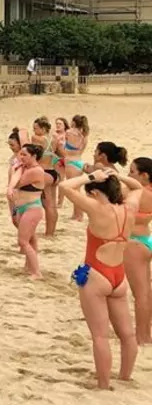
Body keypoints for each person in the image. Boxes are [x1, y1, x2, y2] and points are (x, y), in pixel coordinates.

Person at [59, 159, 144, 389]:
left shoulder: (96, 208)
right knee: (127, 334)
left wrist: (91, 176)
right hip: (118, 275)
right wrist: (114, 175)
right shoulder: (129, 207)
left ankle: (104, 385)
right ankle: (125, 377)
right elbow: (137, 187)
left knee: (100, 336)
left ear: (95, 192)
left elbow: (65, 187)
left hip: (97, 274)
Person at [7, 144, 48, 279]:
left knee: (23, 241)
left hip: (32, 208)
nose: (21, 157)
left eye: (25, 155)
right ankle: (28, 266)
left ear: (34, 156)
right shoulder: (25, 168)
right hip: (22, 207)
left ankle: (37, 272)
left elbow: (17, 183)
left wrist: (14, 170)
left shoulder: (35, 171)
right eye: (20, 154)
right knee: (31, 238)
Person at [126, 156, 152, 345]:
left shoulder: (137, 193)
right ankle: (146, 333)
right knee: (146, 291)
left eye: (132, 171)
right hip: (146, 239)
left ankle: (142, 336)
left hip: (134, 242)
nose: (129, 174)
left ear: (144, 175)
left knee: (140, 294)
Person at [29, 117, 61, 237]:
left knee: (47, 205)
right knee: (52, 204)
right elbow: (62, 154)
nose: (34, 131)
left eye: (36, 128)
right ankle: (51, 231)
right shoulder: (54, 138)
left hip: (44, 172)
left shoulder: (37, 138)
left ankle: (49, 233)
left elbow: (31, 152)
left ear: (43, 128)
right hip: (53, 171)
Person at [61, 115, 91, 222]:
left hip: (70, 162)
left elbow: (64, 147)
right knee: (77, 189)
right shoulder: (84, 135)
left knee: (74, 190)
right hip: (79, 160)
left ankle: (79, 215)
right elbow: (81, 150)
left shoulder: (69, 132)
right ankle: (76, 213)